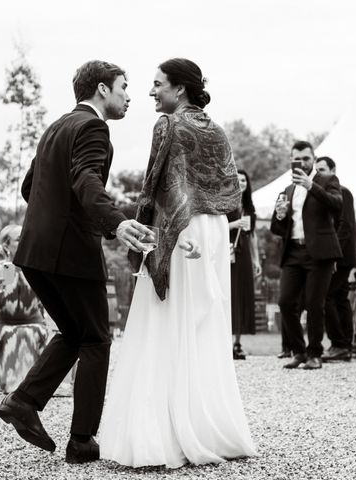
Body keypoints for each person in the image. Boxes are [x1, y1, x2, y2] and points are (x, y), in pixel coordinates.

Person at [100, 58, 256, 468]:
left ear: (179, 89)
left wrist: (144, 237)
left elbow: (155, 183)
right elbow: (228, 190)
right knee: (204, 326)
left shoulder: (168, 125)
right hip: (215, 229)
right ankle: (212, 428)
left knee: (167, 323)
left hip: (181, 229)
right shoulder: (216, 130)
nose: (151, 92)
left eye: (157, 84)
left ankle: (164, 434)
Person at [0, 60, 150, 464]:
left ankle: (23, 402)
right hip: (69, 253)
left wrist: (55, 220)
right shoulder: (94, 128)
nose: (128, 95)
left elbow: (31, 187)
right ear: (102, 89)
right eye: (123, 87)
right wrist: (114, 222)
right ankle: (82, 440)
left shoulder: (55, 128)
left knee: (74, 332)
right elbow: (86, 180)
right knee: (97, 339)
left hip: (33, 252)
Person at [270, 141, 343, 370]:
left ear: (313, 158)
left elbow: (337, 205)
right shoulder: (288, 189)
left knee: (314, 303)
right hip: (293, 251)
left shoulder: (326, 180)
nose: (301, 162)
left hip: (319, 253)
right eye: (296, 159)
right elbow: (277, 229)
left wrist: (312, 186)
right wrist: (280, 216)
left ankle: (314, 353)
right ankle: (299, 351)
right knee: (285, 302)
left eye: (305, 158)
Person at [0, 225, 48, 393]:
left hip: (36, 325)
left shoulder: (38, 269)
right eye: (20, 239)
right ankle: (17, 384)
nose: (26, 242)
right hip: (2, 328)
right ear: (5, 247)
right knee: (18, 333)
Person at [315, 156, 356, 361]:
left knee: (328, 297)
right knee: (339, 298)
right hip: (336, 254)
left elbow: (346, 225)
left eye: (322, 169)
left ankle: (339, 344)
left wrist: (334, 254)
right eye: (317, 170)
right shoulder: (321, 194)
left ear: (333, 170)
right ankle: (344, 344)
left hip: (341, 255)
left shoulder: (344, 193)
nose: (319, 174)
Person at [227, 169, 261, 360]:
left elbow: (252, 234)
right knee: (229, 294)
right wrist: (236, 224)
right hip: (227, 249)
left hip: (244, 252)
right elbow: (216, 227)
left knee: (242, 294)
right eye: (238, 179)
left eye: (244, 181)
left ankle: (237, 343)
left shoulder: (249, 207)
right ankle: (225, 341)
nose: (241, 183)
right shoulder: (225, 203)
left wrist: (256, 259)